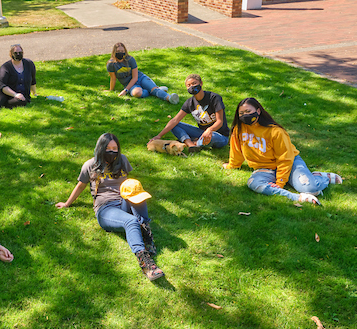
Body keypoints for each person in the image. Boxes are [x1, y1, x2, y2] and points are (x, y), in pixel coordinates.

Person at [55, 133, 164, 281]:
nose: (112, 152)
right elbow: (81, 185)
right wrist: (67, 203)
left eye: (115, 148)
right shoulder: (90, 165)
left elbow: (129, 183)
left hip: (124, 201)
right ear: (100, 148)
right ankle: (146, 262)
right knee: (131, 221)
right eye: (108, 148)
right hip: (105, 208)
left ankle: (147, 236)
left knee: (137, 191)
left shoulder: (122, 160)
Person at [222, 97, 343, 205]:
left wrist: (280, 182)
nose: (245, 115)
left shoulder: (275, 131)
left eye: (248, 111)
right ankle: (297, 197)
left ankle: (321, 177)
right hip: (265, 168)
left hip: (290, 163)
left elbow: (285, 158)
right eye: (241, 113)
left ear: (258, 111)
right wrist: (233, 165)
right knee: (253, 183)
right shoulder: (238, 130)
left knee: (312, 189)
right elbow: (236, 150)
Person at [149, 74, 230, 152]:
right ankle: (191, 144)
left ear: (201, 83)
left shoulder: (214, 98)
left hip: (220, 136)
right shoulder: (189, 103)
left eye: (194, 83)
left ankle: (196, 142)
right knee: (173, 125)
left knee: (212, 137)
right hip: (202, 133)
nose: (192, 86)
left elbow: (220, 122)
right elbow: (175, 120)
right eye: (189, 85)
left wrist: (210, 130)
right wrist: (159, 136)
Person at [107, 42, 180, 105]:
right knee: (137, 93)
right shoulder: (111, 64)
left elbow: (135, 77)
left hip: (140, 78)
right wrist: (111, 90)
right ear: (114, 52)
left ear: (125, 51)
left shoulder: (130, 59)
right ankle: (155, 90)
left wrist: (125, 91)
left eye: (122, 51)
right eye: (118, 51)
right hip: (130, 84)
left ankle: (169, 98)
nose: (120, 53)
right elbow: (113, 78)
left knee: (154, 90)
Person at [0, 44, 37, 112]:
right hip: (4, 92)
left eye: (20, 53)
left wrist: (34, 93)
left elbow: (33, 80)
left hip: (20, 95)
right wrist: (15, 94)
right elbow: (1, 85)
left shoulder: (29, 64)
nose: (18, 54)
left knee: (22, 101)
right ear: (11, 54)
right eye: (15, 53)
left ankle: (4, 104)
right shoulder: (6, 67)